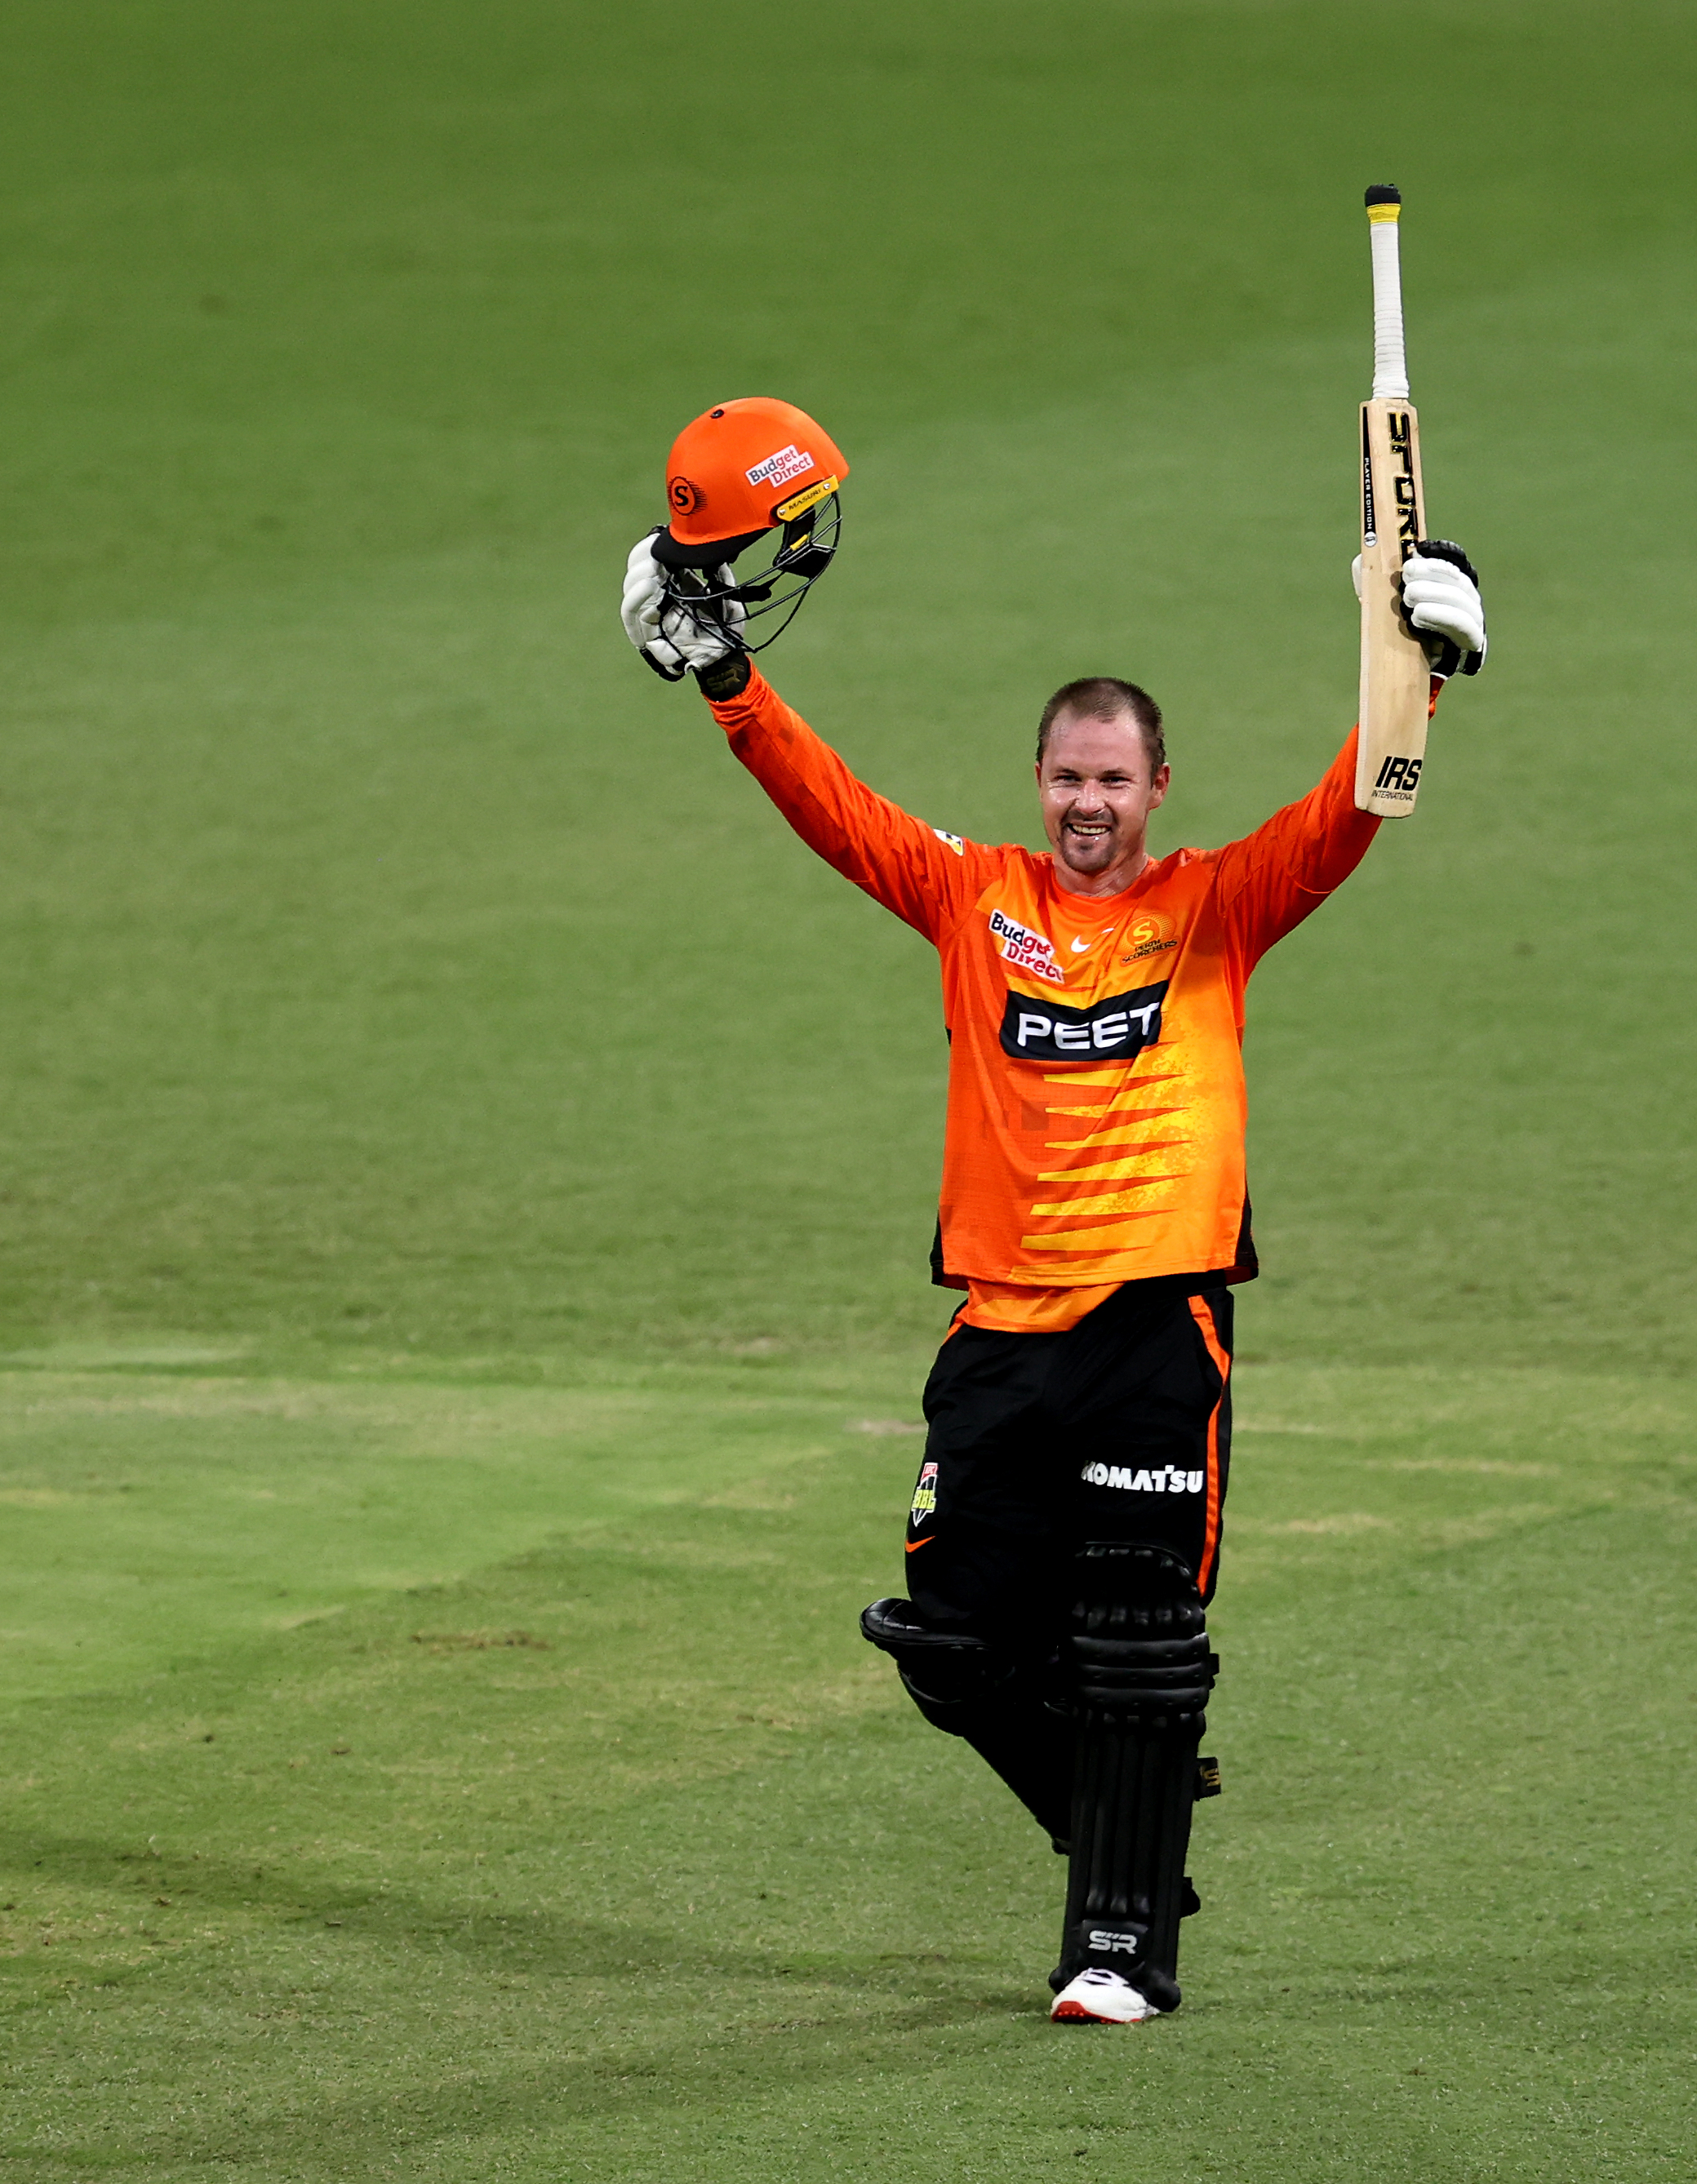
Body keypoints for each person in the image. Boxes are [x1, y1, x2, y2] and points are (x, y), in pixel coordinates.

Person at [619, 397, 1486, 2023]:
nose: (1089, 800)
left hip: (1159, 1321)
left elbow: (1362, 800)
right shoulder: (973, 898)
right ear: (1040, 778)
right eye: (1067, 775)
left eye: (1116, 777)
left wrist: (1423, 654)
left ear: (1160, 787)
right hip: (1001, 1331)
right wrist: (730, 680)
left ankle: (1120, 1949)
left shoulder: (1221, 910)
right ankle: (1126, 1841)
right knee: (947, 1643)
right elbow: (835, 806)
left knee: (1141, 1642)